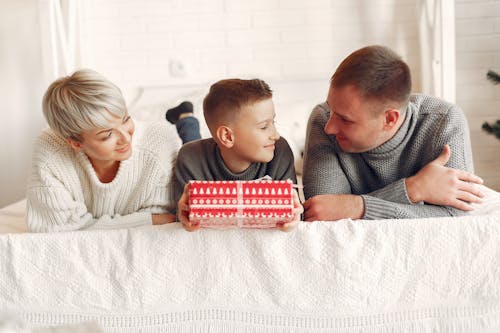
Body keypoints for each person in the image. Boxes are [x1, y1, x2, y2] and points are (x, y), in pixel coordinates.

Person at [302, 45, 485, 221]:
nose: (329, 127)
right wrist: (414, 189)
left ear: (390, 119)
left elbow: (455, 219)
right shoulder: (322, 118)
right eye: (331, 109)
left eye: (345, 119)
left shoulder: (444, 121)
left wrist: (357, 207)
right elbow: (323, 214)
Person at [26, 69, 186, 232]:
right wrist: (146, 220)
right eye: (107, 135)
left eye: (126, 119)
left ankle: (185, 117)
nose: (126, 138)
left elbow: (166, 218)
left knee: (193, 144)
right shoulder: (50, 152)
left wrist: (91, 225)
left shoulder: (160, 141)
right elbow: (55, 227)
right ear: (75, 143)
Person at [174, 78, 303, 231]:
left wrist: (295, 215)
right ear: (228, 137)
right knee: (191, 138)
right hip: (200, 151)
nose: (275, 135)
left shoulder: (279, 150)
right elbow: (182, 216)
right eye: (263, 127)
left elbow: (295, 215)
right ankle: (185, 116)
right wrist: (184, 214)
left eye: (273, 123)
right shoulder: (190, 158)